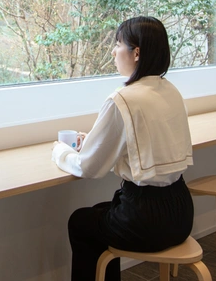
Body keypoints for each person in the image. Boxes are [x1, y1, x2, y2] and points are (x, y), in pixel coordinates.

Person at [51, 16, 194, 281]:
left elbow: (88, 168)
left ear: (136, 52)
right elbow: (140, 139)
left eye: (118, 44)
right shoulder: (170, 91)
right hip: (181, 212)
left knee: (80, 222)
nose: (114, 51)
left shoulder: (123, 98)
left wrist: (61, 152)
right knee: (98, 214)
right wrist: (94, 139)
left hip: (146, 219)